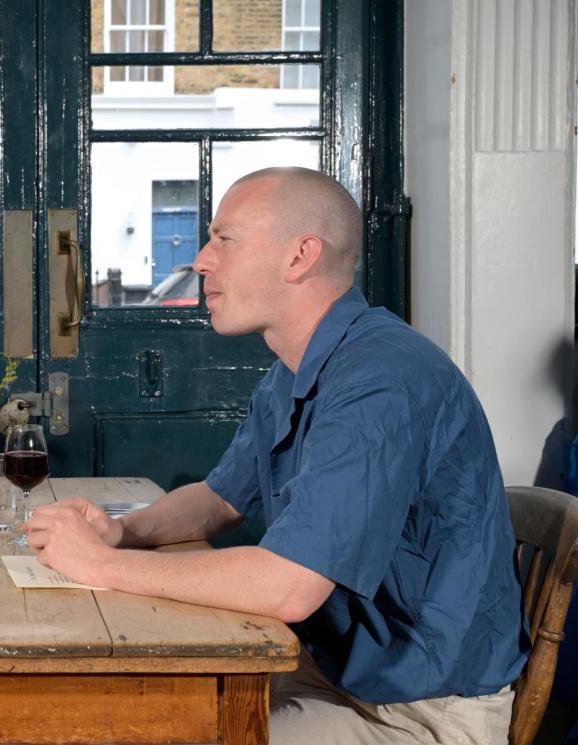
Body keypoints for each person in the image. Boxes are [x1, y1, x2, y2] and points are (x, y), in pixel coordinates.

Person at [26, 167, 530, 744]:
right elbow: (219, 500)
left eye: (224, 239)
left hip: (417, 710)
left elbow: (290, 587)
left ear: (300, 257)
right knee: (119, 714)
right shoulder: (299, 366)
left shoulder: (381, 379)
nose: (201, 260)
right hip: (328, 670)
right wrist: (125, 532)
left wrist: (99, 567)